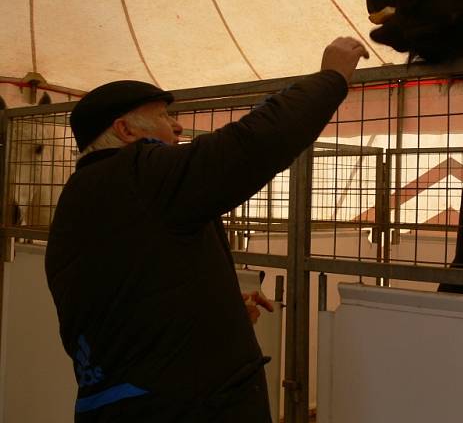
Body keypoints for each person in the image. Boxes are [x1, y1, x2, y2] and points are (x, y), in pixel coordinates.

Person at [45, 37, 369, 422]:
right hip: (180, 405)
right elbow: (250, 145)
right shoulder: (138, 174)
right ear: (126, 130)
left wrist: (219, 313)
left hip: (121, 400)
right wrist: (331, 79)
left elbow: (131, 295)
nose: (179, 125)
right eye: (164, 116)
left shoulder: (83, 196)